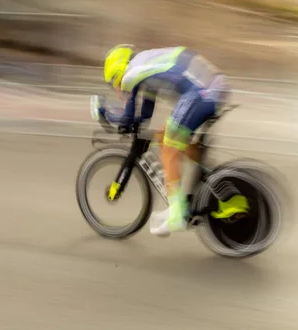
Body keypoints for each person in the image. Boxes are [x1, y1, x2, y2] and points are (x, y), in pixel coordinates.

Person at [95, 44, 237, 236]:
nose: (119, 90)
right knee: (165, 137)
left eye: (114, 84)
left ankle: (176, 214)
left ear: (116, 73)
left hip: (201, 92)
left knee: (169, 146)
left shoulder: (131, 74)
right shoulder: (144, 67)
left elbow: (128, 119)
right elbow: (144, 114)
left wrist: (104, 112)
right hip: (214, 86)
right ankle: (220, 187)